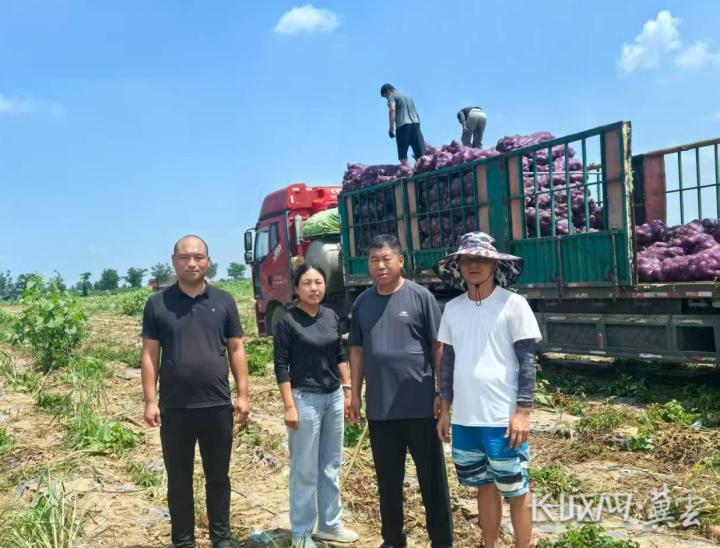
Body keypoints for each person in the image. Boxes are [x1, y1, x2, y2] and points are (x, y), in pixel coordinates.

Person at [141, 235, 250, 548]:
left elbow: (236, 348)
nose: (192, 263)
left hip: (217, 405)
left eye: (198, 257)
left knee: (218, 477)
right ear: (174, 262)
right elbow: (149, 354)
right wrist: (150, 401)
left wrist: (243, 395)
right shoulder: (158, 304)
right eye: (185, 257)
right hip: (175, 408)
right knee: (179, 481)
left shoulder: (224, 301)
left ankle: (221, 539)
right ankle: (183, 541)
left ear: (208, 262)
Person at [433, 232, 541, 548]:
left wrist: (522, 413)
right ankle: (489, 544)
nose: (474, 265)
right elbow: (447, 362)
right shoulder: (453, 309)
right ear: (459, 266)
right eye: (467, 259)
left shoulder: (514, 304)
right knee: (484, 486)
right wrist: (445, 409)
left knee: (516, 488)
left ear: (494, 264)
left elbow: (527, 361)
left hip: (502, 419)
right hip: (466, 419)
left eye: (481, 259)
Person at [348, 234, 453, 548]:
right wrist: (354, 394)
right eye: (374, 260)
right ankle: (393, 539)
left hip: (420, 407)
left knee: (432, 480)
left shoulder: (420, 297)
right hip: (381, 410)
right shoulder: (362, 303)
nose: (380, 266)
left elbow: (438, 347)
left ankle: (441, 540)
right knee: (388, 481)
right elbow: (357, 350)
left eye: (386, 259)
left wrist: (442, 393)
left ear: (400, 261)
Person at [273, 264, 359, 547]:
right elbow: (281, 366)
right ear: (296, 288)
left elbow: (339, 354)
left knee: (331, 465)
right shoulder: (287, 321)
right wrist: (289, 406)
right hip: (304, 399)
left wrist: (348, 389)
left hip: (333, 397)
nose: (314, 288)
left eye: (318, 282)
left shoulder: (330, 315)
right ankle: (301, 533)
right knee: (305, 469)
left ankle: (330, 525)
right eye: (307, 283)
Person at [380, 83, 426, 165]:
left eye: (385, 96)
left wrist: (391, 127)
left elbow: (392, 109)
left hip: (403, 126)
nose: (387, 98)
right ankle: (423, 169)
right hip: (416, 124)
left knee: (403, 156)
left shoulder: (392, 96)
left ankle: (406, 170)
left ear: (387, 91)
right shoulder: (407, 96)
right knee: (420, 155)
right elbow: (416, 111)